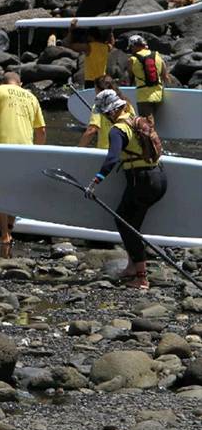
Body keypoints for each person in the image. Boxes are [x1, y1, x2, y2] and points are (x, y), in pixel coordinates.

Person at [85, 89, 165, 290]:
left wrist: (95, 181)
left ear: (110, 112)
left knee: (124, 223)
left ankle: (141, 278)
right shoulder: (135, 119)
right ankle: (132, 267)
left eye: (104, 114)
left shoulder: (118, 130)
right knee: (133, 224)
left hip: (142, 182)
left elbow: (112, 159)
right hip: (158, 178)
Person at [0, 72, 46, 253]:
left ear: (3, 82)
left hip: (3, 148)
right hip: (26, 149)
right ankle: (10, 228)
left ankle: (4, 235)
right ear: (20, 83)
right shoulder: (32, 97)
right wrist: (39, 151)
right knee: (16, 188)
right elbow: (41, 130)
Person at [78, 75, 134, 149]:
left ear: (99, 90)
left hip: (106, 151)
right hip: (126, 152)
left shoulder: (98, 106)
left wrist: (78, 149)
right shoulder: (127, 104)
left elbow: (91, 130)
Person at [125, 34, 169, 122]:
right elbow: (165, 76)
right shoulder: (157, 55)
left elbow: (130, 78)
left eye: (131, 47)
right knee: (152, 122)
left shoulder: (132, 60)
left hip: (143, 96)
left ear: (134, 46)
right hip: (158, 95)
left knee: (147, 125)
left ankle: (152, 135)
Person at [65, 18, 113, 87]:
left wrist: (71, 30)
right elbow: (112, 43)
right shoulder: (107, 47)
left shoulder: (88, 47)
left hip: (91, 81)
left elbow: (68, 45)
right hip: (103, 80)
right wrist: (111, 32)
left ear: (91, 37)